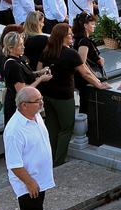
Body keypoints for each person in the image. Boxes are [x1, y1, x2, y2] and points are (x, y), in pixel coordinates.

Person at [4, 85, 56, 210]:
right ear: (24, 105)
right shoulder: (14, 130)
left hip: (40, 179)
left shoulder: (35, 116)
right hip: (28, 183)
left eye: (41, 98)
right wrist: (30, 182)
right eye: (38, 101)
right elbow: (15, 164)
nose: (42, 103)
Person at [41, 22, 105, 166]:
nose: (72, 36)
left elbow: (39, 70)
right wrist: (99, 84)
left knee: (52, 127)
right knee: (66, 127)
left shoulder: (47, 52)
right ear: (62, 37)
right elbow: (86, 73)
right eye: (69, 34)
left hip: (48, 94)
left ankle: (49, 157)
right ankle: (58, 160)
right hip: (64, 96)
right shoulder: (70, 54)